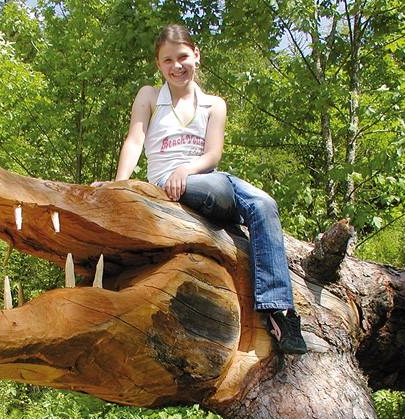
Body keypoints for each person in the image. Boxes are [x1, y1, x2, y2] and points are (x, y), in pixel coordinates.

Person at [93, 24, 306, 354]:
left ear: (196, 55)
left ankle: (279, 312)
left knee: (264, 204)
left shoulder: (213, 104)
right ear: (158, 65)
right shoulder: (150, 96)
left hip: (207, 182)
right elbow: (134, 140)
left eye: (182, 57)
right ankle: (278, 309)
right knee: (231, 192)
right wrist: (120, 186)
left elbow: (212, 155)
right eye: (167, 61)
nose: (176, 66)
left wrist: (185, 168)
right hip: (171, 188)